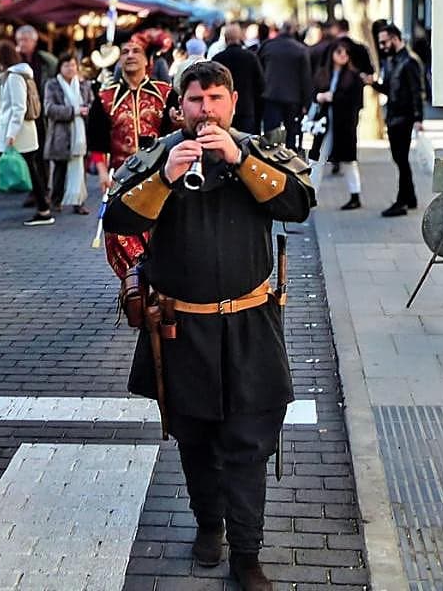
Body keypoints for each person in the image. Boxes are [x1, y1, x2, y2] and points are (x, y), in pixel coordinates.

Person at [103, 60, 314, 591]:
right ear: (179, 105)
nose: (206, 109)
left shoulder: (259, 150)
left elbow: (299, 203)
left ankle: (246, 551)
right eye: (195, 100)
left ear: (233, 102)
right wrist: (167, 177)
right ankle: (207, 525)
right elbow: (119, 220)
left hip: (249, 323)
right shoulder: (155, 157)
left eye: (216, 98)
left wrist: (240, 159)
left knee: (248, 442)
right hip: (182, 327)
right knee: (194, 438)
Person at [88, 30, 174, 277]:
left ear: (148, 60)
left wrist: (177, 122)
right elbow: (97, 140)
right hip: (123, 176)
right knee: (120, 232)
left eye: (136, 51)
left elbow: (177, 132)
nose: (130, 55)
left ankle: (161, 281)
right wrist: (103, 173)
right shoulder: (105, 98)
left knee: (162, 230)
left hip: (161, 174)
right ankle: (134, 282)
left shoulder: (165, 93)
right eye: (125, 52)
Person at [0, 39, 54, 226]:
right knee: (31, 171)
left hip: (14, 135)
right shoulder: (15, 74)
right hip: (21, 134)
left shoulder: (14, 77)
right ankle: (44, 209)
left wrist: (11, 135)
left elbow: (18, 107)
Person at [363, 22, 426, 217]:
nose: (382, 47)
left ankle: (402, 200)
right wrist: (373, 84)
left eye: (384, 42)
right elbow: (390, 89)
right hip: (394, 117)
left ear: (395, 38)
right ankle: (410, 197)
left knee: (401, 160)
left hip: (404, 118)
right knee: (400, 160)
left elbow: (418, 92)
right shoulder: (393, 61)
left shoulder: (409, 62)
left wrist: (418, 118)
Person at [308, 42, 364, 210]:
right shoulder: (323, 74)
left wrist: (334, 98)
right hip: (324, 123)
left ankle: (355, 196)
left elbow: (357, 103)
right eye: (339, 52)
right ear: (332, 54)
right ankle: (310, 194)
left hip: (344, 125)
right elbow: (313, 94)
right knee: (316, 158)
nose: (343, 55)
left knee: (348, 161)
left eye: (346, 53)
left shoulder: (354, 77)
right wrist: (320, 97)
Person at [43, 52, 95, 214]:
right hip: (60, 135)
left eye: (73, 65)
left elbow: (91, 103)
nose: (70, 68)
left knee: (80, 169)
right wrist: (74, 111)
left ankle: (78, 202)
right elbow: (50, 109)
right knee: (59, 169)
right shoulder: (52, 85)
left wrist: (87, 110)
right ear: (60, 67)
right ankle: (56, 200)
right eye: (66, 65)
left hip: (80, 135)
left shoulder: (83, 85)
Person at [16, 25, 58, 205]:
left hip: (41, 113)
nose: (22, 44)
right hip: (24, 114)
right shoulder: (16, 61)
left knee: (42, 154)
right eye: (19, 40)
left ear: (34, 41)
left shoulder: (45, 60)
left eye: (25, 40)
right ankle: (35, 190)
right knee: (29, 153)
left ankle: (44, 190)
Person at [258, 23, 313, 148]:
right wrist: (307, 103)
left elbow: (258, 71)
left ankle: (272, 160)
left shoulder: (267, 46)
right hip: (293, 98)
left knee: (271, 133)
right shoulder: (300, 49)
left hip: (270, 95)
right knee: (291, 132)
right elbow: (306, 78)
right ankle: (290, 159)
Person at [211, 23, 265, 134]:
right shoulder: (251, 57)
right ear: (240, 38)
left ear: (225, 39)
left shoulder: (218, 59)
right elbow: (261, 84)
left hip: (223, 109)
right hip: (247, 109)